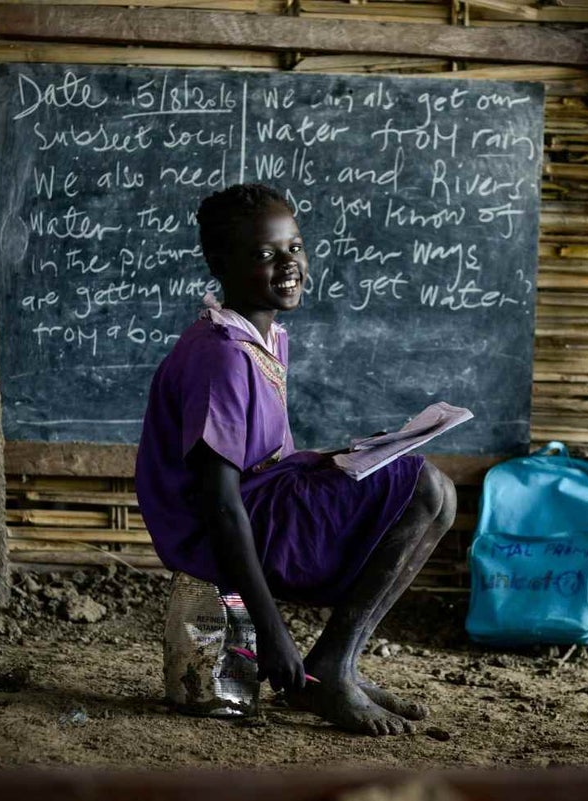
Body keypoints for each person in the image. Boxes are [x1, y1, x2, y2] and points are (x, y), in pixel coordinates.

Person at [135, 183, 457, 736]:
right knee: (423, 487)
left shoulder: (266, 337)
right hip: (217, 528)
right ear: (221, 264)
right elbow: (219, 502)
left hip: (260, 501)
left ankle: (340, 662)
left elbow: (267, 457)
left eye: (295, 247)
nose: (290, 265)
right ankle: (329, 666)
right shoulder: (222, 357)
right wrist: (272, 627)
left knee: (439, 495)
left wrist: (351, 458)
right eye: (266, 254)